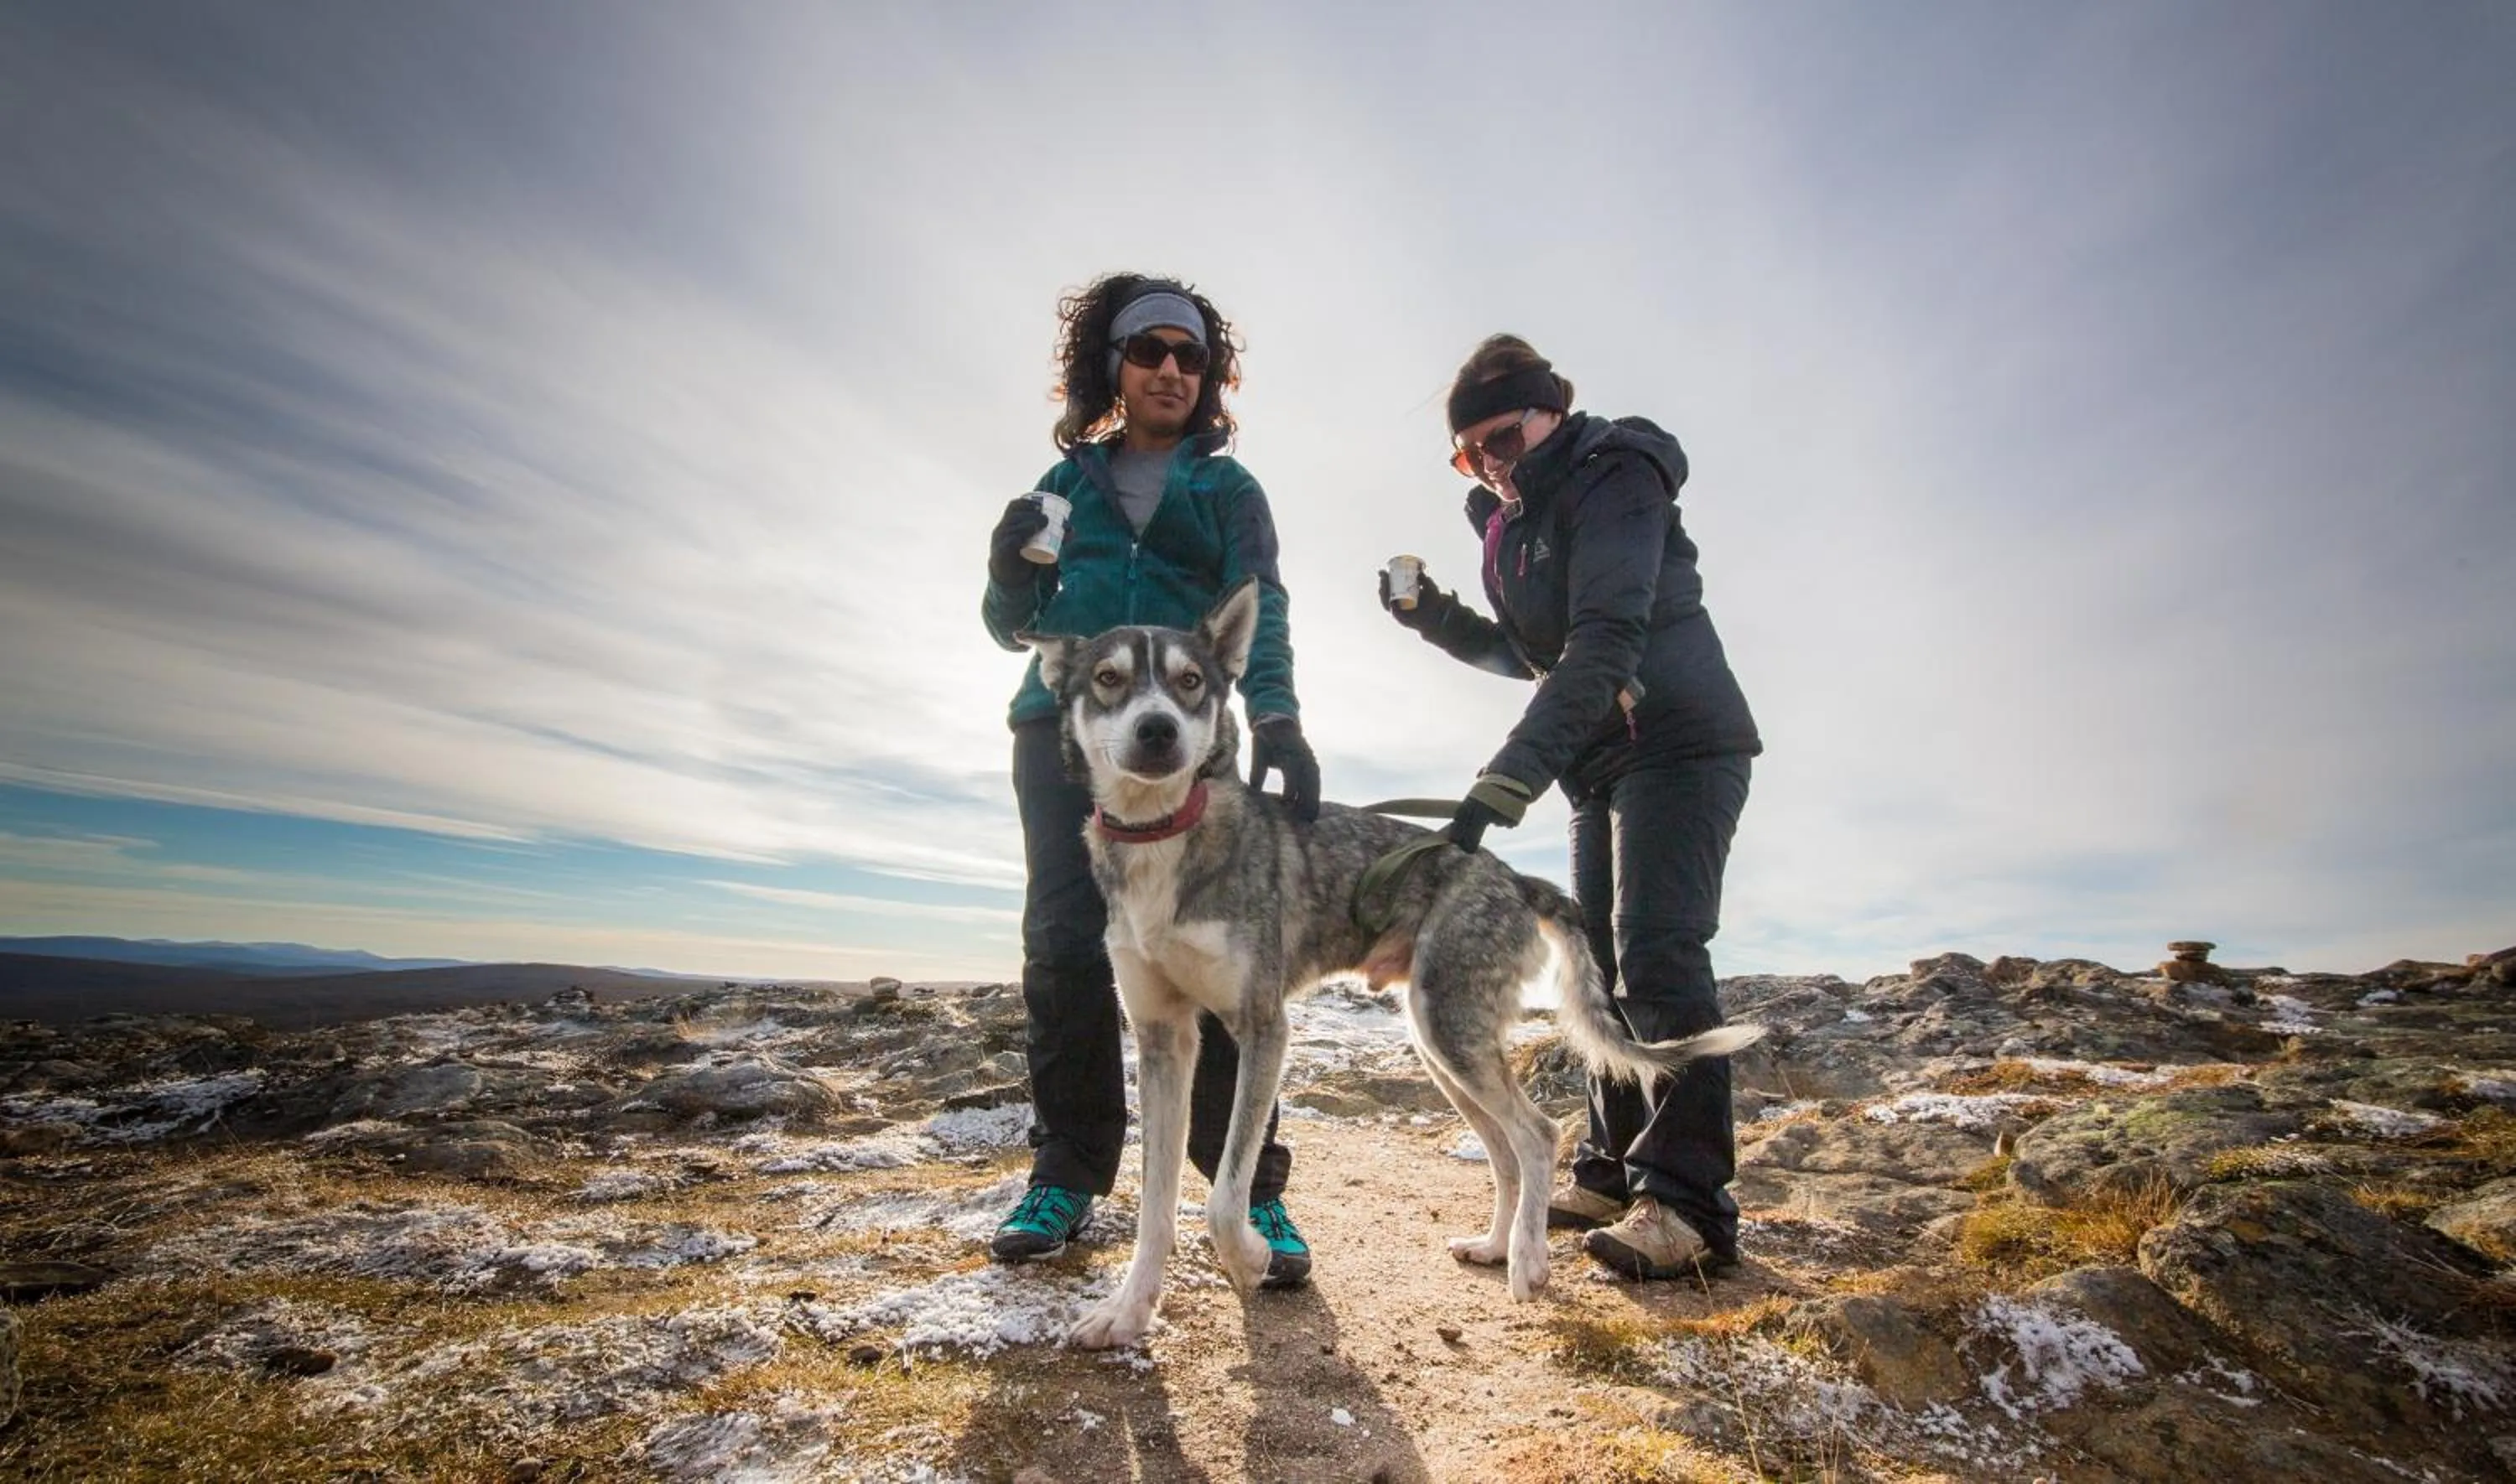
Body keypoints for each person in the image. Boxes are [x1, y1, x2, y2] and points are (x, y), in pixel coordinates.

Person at [1380, 334, 1760, 1279]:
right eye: (1468, 456)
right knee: (1591, 964)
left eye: (1502, 439)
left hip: (1680, 742)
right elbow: (1531, 656)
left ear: (1553, 411)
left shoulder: (1615, 477)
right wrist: (1437, 620)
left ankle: (1688, 1205)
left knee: (1661, 952)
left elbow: (1603, 643)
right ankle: (1606, 1169)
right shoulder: (1512, 518)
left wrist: (1500, 788)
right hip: (1601, 765)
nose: (1489, 467)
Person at [980, 274, 1321, 1284]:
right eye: (1150, 351)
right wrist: (1006, 570)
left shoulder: (1227, 490)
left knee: (1221, 956)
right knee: (1062, 944)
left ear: (1208, 377)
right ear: (1113, 367)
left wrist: (1279, 718)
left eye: (1191, 355)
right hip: (1064, 738)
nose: (1172, 369)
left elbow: (1263, 605)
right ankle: (1067, 1174)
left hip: (1190, 759)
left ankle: (1250, 1189)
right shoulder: (1064, 489)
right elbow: (1012, 627)